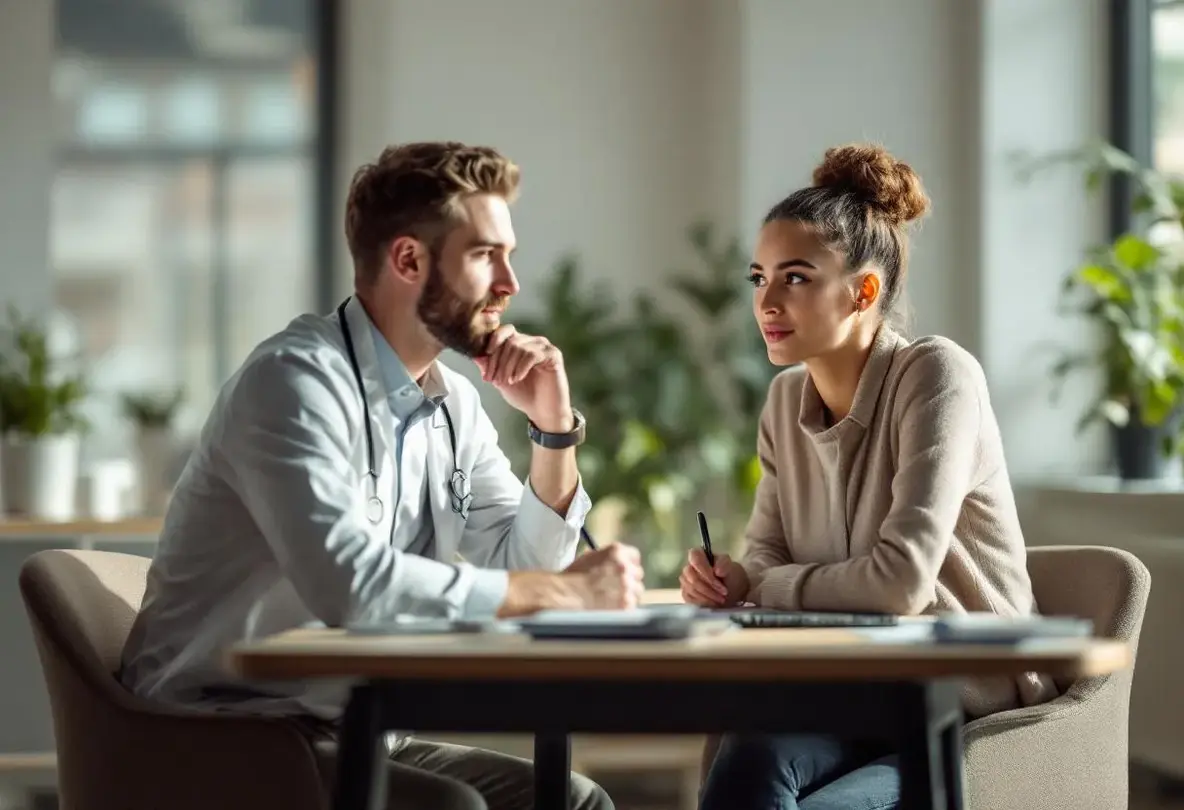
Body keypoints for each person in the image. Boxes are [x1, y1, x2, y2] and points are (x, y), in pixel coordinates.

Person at [120, 141, 640, 810]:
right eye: (485, 255)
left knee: (574, 801)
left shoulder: (453, 402)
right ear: (407, 260)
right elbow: (351, 588)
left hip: (358, 728)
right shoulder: (292, 383)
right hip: (222, 732)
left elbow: (521, 562)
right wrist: (565, 593)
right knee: (452, 808)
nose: (511, 283)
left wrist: (555, 429)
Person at [678, 143, 1059, 810]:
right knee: (748, 759)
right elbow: (767, 553)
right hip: (854, 694)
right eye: (758, 277)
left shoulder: (938, 377)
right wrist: (730, 580)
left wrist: (757, 584)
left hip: (964, 707)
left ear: (863, 291)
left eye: (795, 278)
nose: (766, 300)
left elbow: (899, 582)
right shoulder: (783, 403)